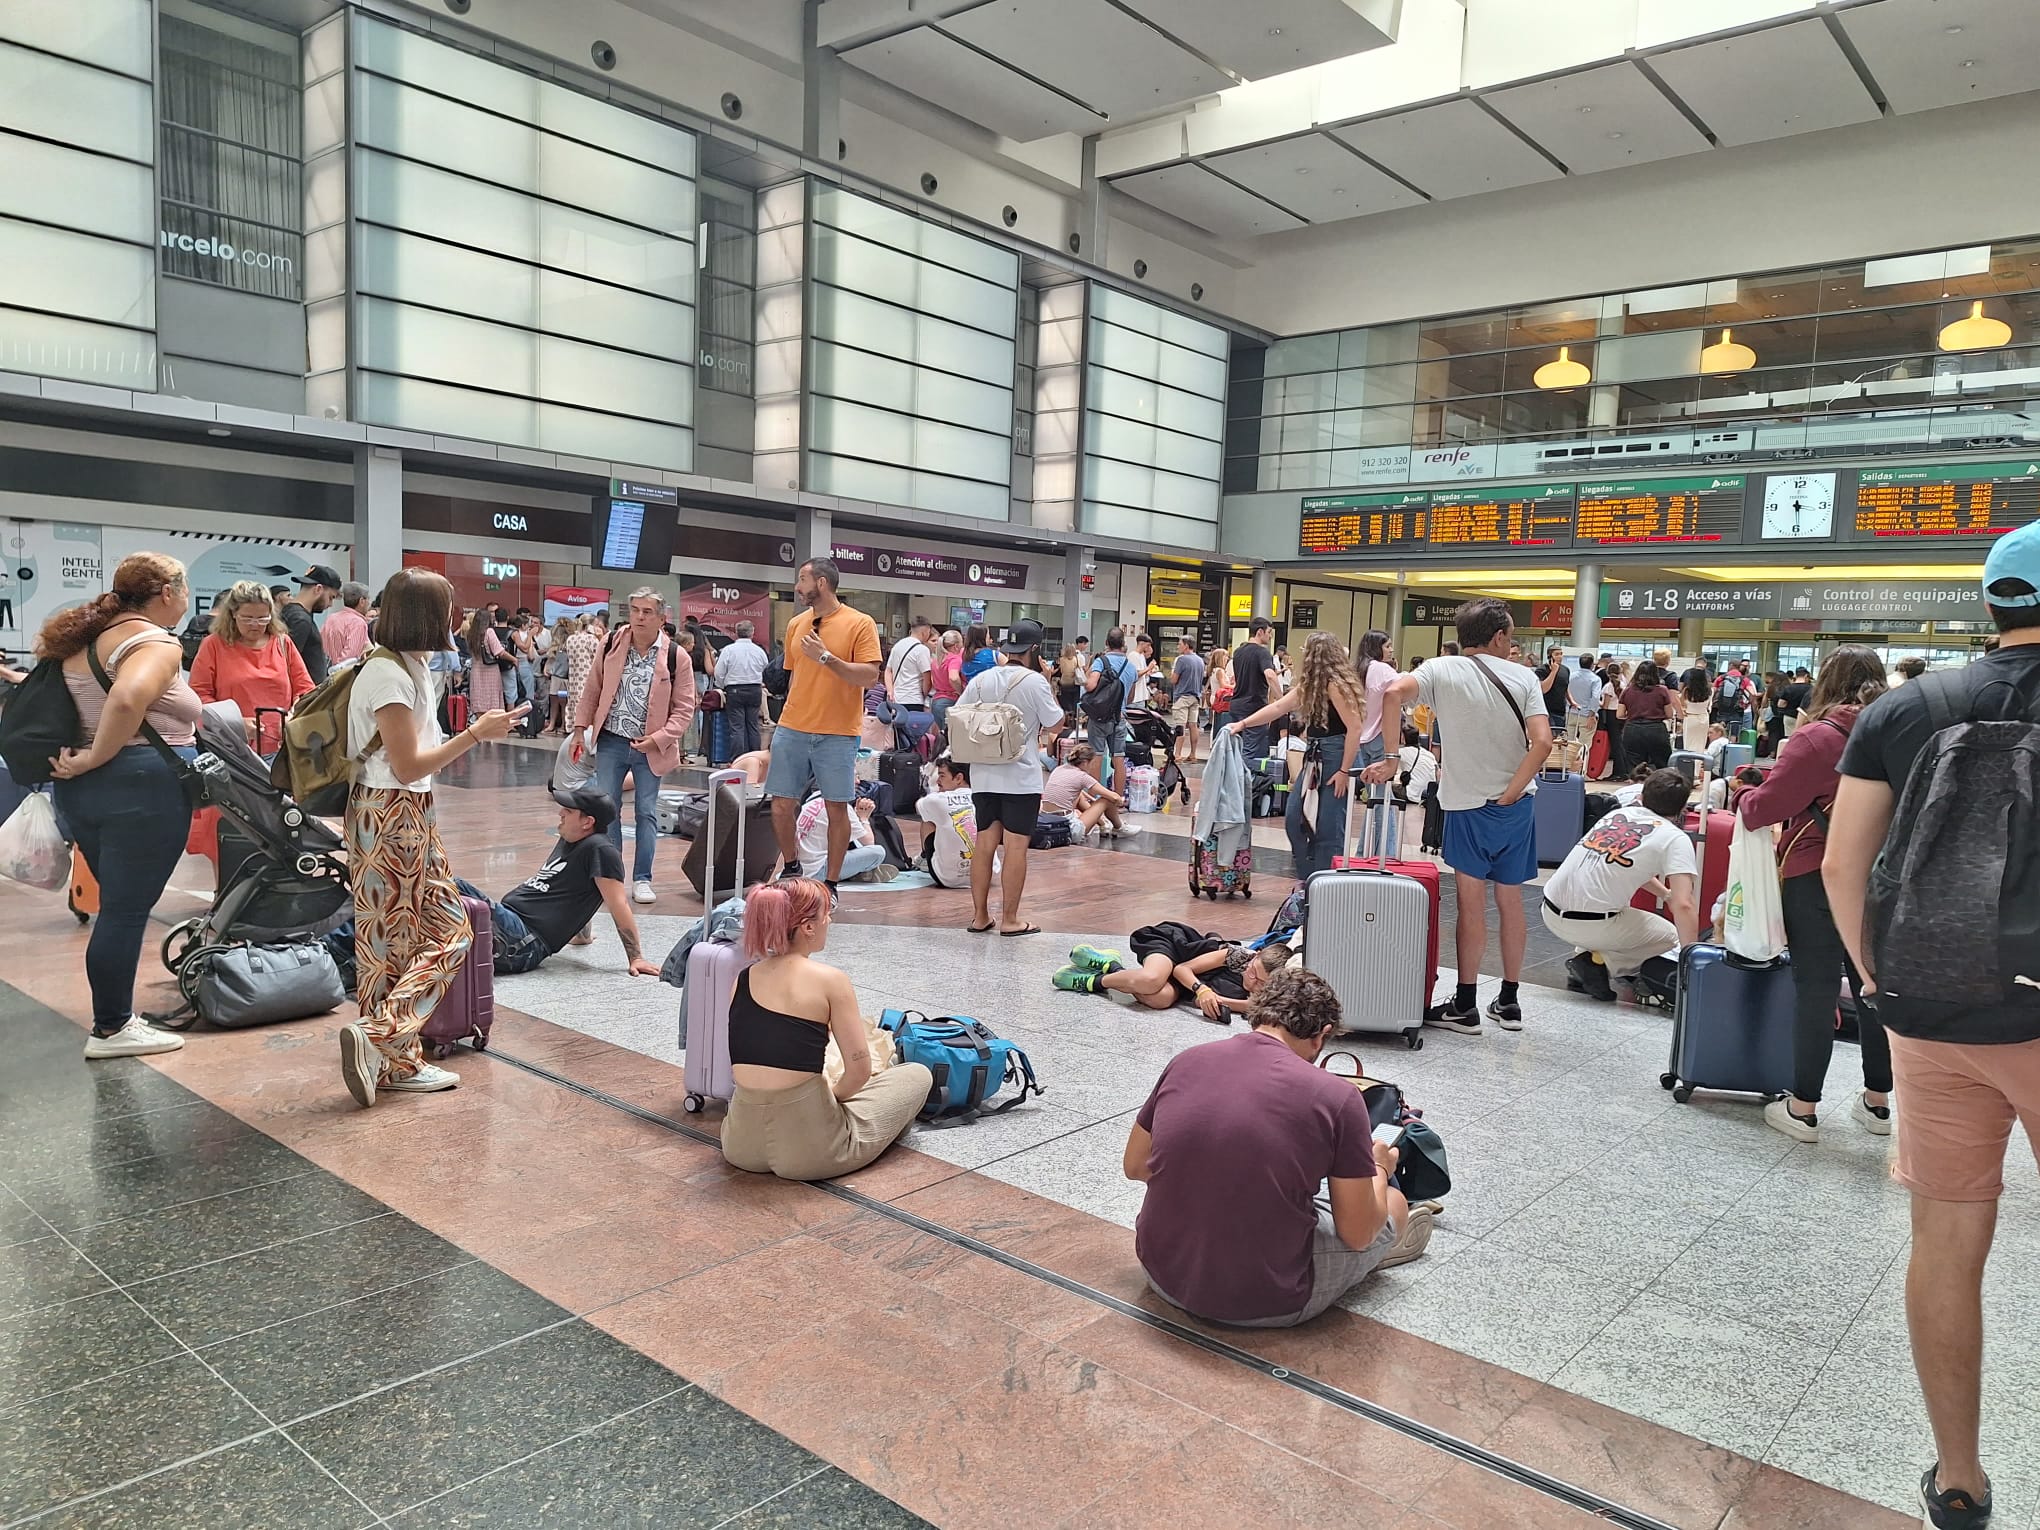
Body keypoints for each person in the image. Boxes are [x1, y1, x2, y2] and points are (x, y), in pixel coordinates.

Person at [1823, 525, 2040, 1530]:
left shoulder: (1904, 709)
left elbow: (1841, 866)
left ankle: (1959, 1480)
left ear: (1991, 600)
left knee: (1946, 1240)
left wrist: (1883, 983)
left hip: (1933, 1014)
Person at [1121, 966, 1430, 1329]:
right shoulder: (1338, 1097)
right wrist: (1380, 1168)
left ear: (1259, 1013)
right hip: (1267, 1299)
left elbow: (1136, 1166)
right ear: (1322, 1035)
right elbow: (1358, 1233)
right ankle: (1376, 1255)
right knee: (1389, 1204)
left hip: (1162, 1275)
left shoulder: (1186, 1060)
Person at [335, 569, 525, 1109]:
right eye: (448, 607)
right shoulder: (389, 677)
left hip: (389, 811)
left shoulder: (402, 666)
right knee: (446, 930)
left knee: (387, 944)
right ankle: (383, 1039)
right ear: (426, 615)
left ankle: (393, 1057)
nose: (457, 616)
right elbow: (407, 763)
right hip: (393, 811)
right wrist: (475, 733)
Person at [42, 554, 201, 1060]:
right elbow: (129, 698)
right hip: (139, 787)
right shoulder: (154, 642)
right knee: (125, 912)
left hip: (83, 793)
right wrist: (98, 756)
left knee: (118, 907)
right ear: (168, 592)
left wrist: (88, 761)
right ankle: (111, 1027)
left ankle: (113, 1020)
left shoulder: (82, 640)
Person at [1734, 646, 1892, 1143]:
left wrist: (1743, 792)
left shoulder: (1819, 737)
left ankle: (1802, 1108)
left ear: (1826, 681)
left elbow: (1765, 808)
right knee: (1872, 988)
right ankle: (1878, 1103)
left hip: (1818, 874)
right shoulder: (1898, 731)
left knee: (1816, 989)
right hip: (1882, 876)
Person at [1383, 597, 1552, 1034]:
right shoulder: (1525, 678)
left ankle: (1466, 1003)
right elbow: (1543, 743)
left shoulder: (1441, 669)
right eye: (1510, 638)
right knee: (1511, 902)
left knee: (1472, 906)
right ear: (1498, 637)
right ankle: (1511, 1002)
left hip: (1464, 806)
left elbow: (1391, 693)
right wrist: (1512, 792)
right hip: (1517, 807)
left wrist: (1388, 758)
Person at [719, 877, 934, 1182]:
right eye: (825, 914)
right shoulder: (830, 980)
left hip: (739, 1145)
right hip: (813, 1152)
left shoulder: (742, 979)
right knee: (915, 1074)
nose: (829, 920)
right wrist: (828, 1097)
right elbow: (859, 1072)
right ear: (807, 926)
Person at [329, 787, 660, 977]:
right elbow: (571, 893)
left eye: (569, 811)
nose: (560, 812)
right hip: (511, 927)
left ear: (588, 822)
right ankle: (346, 953)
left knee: (445, 884)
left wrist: (635, 957)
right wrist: (580, 934)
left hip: (522, 941)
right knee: (423, 910)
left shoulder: (601, 848)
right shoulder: (573, 842)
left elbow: (617, 903)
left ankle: (334, 947)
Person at [573, 588, 698, 904]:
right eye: (635, 610)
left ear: (661, 617)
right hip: (612, 741)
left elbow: (685, 707)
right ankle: (612, 876)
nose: (640, 617)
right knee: (607, 810)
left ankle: (643, 878)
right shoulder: (611, 644)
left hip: (650, 748)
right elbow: (592, 690)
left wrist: (659, 739)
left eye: (647, 612)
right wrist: (578, 729)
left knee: (646, 811)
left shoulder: (675, 656)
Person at [767, 558, 882, 887]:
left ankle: (830, 883)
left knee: (836, 809)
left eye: (802, 579)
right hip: (793, 727)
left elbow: (870, 676)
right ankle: (792, 867)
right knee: (779, 804)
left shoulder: (859, 623)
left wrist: (828, 658)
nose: (797, 586)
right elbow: (793, 677)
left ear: (821, 583)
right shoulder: (796, 625)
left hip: (838, 733)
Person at [1543, 767, 1698, 1002]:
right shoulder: (1675, 838)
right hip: (1591, 924)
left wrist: (1664, 894)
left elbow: (1626, 864)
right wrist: (1693, 959)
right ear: (1682, 808)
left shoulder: (1616, 816)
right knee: (1670, 936)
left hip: (1549, 912)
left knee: (1613, 907)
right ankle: (1601, 964)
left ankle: (1588, 957)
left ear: (1642, 796)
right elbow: (1684, 904)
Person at [1228, 631, 1366, 880]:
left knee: (1329, 827)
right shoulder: (1313, 685)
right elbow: (1278, 707)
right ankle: (1312, 877)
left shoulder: (1333, 685)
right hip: (1317, 755)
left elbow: (1355, 727)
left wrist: (1344, 771)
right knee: (1295, 817)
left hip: (1335, 756)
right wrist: (1244, 724)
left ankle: (1322, 883)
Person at [956, 617, 1063, 936]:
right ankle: (1011, 919)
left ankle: (979, 916)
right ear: (1034, 649)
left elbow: (959, 716)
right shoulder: (1035, 682)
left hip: (984, 775)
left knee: (984, 844)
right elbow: (1056, 723)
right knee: (1016, 847)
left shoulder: (982, 680)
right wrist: (1046, 679)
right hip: (1021, 778)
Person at [1053, 926, 1294, 1019]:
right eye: (1253, 971)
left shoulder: (1268, 995)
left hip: (1183, 987)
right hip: (1175, 951)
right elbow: (1183, 969)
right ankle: (1093, 981)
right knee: (1151, 979)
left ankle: (1112, 966)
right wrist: (1203, 990)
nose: (1251, 980)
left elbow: (1248, 1006)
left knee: (1159, 998)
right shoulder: (1238, 956)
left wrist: (1211, 1000)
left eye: (1260, 981)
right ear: (1256, 957)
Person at [188, 580, 314, 757]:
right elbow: (199, 695)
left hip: (283, 749)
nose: (255, 625)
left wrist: (295, 715)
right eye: (247, 618)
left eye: (263, 618)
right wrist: (234, 724)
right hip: (233, 749)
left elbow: (306, 690)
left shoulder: (283, 642)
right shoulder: (213, 645)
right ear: (233, 614)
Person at [1079, 627, 1140, 793]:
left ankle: (1094, 797)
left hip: (1099, 718)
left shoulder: (1101, 661)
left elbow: (1091, 685)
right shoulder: (1131, 667)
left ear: (1106, 643)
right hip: (1119, 718)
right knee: (1118, 758)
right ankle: (1117, 799)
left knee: (1097, 755)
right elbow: (1130, 698)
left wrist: (1086, 676)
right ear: (1123, 644)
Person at [793, 792, 896, 882]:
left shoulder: (812, 801)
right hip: (817, 871)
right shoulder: (842, 808)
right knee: (878, 852)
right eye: (854, 776)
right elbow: (869, 842)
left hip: (798, 868)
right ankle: (855, 873)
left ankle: (857, 873)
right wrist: (864, 818)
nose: (858, 781)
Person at [914, 754, 976, 888]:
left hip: (947, 878)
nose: (938, 781)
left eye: (942, 776)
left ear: (959, 778)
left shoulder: (935, 800)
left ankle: (925, 858)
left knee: (928, 819)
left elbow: (919, 807)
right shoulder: (982, 797)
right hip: (988, 875)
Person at [1043, 742, 1127, 840]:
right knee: (1106, 800)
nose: (1093, 766)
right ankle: (1119, 827)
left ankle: (1103, 825)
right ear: (1085, 763)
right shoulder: (1082, 777)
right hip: (1067, 828)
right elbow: (1113, 797)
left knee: (1079, 795)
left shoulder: (1059, 769)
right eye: (1093, 763)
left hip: (1048, 822)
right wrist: (1120, 800)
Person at [1227, 618, 1280, 764]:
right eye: (1269, 633)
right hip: (1254, 707)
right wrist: (1281, 700)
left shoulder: (1238, 652)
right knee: (1251, 751)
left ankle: (1234, 782)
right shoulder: (1262, 653)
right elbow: (1269, 674)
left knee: (1237, 749)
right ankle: (1246, 782)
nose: (1270, 637)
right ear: (1260, 632)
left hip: (1237, 704)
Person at [714, 617, 769, 757]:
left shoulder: (728, 650)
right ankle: (755, 757)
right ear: (752, 633)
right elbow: (766, 669)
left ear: (736, 633)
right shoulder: (759, 651)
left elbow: (719, 672)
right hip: (755, 689)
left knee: (737, 727)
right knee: (753, 725)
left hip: (735, 690)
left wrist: (721, 686)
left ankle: (737, 759)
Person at [882, 613, 937, 746]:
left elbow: (888, 671)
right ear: (925, 631)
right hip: (913, 700)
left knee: (899, 740)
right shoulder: (921, 649)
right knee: (913, 742)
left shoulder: (897, 646)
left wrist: (890, 690)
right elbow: (927, 678)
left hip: (897, 700)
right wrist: (925, 694)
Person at [280, 564, 340, 684]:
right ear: (318, 589)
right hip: (304, 695)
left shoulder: (290, 613)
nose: (330, 604)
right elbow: (287, 664)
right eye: (331, 597)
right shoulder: (300, 620)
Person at [1617, 660, 1678, 772]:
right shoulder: (1662, 690)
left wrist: (1633, 714)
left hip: (1632, 730)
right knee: (1662, 765)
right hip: (1656, 730)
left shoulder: (1628, 691)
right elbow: (1669, 714)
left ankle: (1635, 786)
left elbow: (1619, 714)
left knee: (1634, 767)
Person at [464, 606, 508, 718]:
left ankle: (480, 724)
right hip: (490, 670)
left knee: (479, 698)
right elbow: (499, 651)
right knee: (491, 701)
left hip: (476, 670)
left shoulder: (470, 634)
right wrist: (514, 659)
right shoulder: (489, 632)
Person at [1169, 634, 1207, 763]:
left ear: (1186, 645)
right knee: (1193, 725)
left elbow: (1174, 679)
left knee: (1180, 726)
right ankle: (1193, 754)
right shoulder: (1200, 660)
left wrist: (1171, 675)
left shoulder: (1182, 660)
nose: (1178, 646)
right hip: (1195, 696)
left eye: (1180, 644)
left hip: (1182, 696)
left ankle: (1177, 754)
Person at [563, 613, 601, 733]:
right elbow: (599, 659)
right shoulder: (592, 639)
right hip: (587, 679)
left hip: (573, 680)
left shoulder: (570, 639)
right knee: (586, 708)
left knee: (573, 706)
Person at [321, 581, 372, 668]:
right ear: (362, 601)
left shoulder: (331, 618)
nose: (369, 603)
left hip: (324, 672)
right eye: (368, 599)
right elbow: (350, 658)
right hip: (343, 676)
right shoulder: (358, 623)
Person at [1565, 651, 1602, 763]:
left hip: (1570, 712)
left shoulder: (1570, 676)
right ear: (1592, 665)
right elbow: (1595, 697)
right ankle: (1581, 771)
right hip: (1586, 715)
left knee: (1569, 743)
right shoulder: (1595, 679)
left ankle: (1567, 768)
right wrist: (1592, 715)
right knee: (1584, 745)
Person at [929, 628, 965, 731]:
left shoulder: (936, 660)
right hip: (949, 701)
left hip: (936, 701)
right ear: (956, 646)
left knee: (943, 735)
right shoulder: (954, 659)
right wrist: (961, 692)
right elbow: (953, 678)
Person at [543, 617, 575, 733]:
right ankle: (561, 724)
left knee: (558, 702)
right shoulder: (566, 646)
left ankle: (557, 724)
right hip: (562, 677)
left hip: (560, 678)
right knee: (562, 702)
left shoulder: (564, 646)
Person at [1680, 661, 1714, 754]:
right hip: (1704, 717)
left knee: (1689, 744)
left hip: (1690, 717)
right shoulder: (1710, 690)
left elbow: (1682, 703)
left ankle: (1689, 766)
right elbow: (1709, 705)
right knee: (1701, 745)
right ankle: (1699, 765)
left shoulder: (1687, 690)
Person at [1713, 659, 1754, 736]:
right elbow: (1753, 693)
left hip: (1722, 709)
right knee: (1734, 732)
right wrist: (1747, 704)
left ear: (1730, 666)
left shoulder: (1721, 678)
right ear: (1739, 667)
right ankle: (1732, 745)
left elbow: (1712, 691)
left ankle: (1719, 743)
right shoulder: (1744, 679)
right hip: (1736, 709)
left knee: (1719, 729)